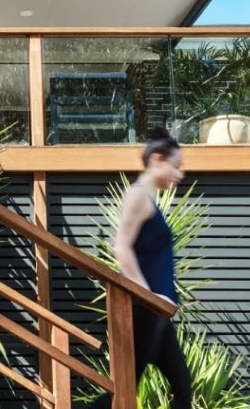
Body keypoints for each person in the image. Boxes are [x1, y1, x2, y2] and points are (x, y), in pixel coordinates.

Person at [88, 127, 192, 409]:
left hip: (158, 312)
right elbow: (121, 246)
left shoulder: (149, 199)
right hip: (145, 310)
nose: (179, 175)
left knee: (183, 386)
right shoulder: (138, 195)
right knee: (124, 389)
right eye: (176, 166)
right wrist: (147, 295)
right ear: (158, 159)